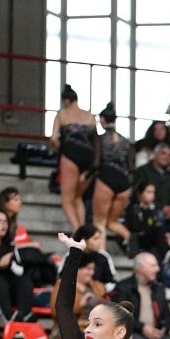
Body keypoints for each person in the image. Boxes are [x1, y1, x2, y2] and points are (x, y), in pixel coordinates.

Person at [49, 86, 98, 232]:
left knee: (67, 200)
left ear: (66, 100)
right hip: (89, 157)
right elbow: (95, 141)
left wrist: (60, 149)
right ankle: (84, 232)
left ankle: (78, 232)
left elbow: (53, 138)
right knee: (78, 197)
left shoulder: (62, 114)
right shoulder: (90, 116)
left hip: (71, 154)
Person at [112, 252, 170, 339]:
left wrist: (163, 328)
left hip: (155, 331)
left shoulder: (158, 288)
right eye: (153, 266)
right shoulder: (123, 287)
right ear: (141, 268)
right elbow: (121, 314)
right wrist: (142, 328)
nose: (158, 269)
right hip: (132, 331)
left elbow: (167, 314)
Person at [93, 103, 134, 246]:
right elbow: (130, 166)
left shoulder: (100, 139)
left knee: (100, 222)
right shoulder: (125, 141)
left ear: (103, 120)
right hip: (124, 182)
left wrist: (87, 174)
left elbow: (96, 162)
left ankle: (101, 255)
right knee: (113, 222)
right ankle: (132, 242)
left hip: (107, 178)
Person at [123, 182, 167, 259]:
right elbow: (135, 227)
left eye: (153, 192)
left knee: (161, 231)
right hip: (137, 237)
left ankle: (163, 255)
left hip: (150, 239)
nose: (152, 195)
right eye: (149, 192)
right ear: (140, 194)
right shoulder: (133, 208)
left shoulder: (155, 210)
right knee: (158, 231)